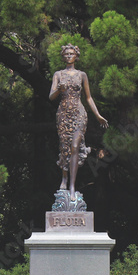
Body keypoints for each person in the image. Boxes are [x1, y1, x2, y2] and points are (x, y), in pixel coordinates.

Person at [49, 43, 108, 198]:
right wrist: (59, 89)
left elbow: (88, 98)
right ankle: (64, 177)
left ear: (76, 56)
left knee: (75, 146)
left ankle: (72, 186)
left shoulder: (82, 75)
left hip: (79, 114)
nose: (69, 56)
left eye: (71, 54)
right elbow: (51, 96)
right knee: (65, 147)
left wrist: (97, 115)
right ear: (63, 57)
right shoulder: (58, 74)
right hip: (63, 114)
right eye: (66, 54)